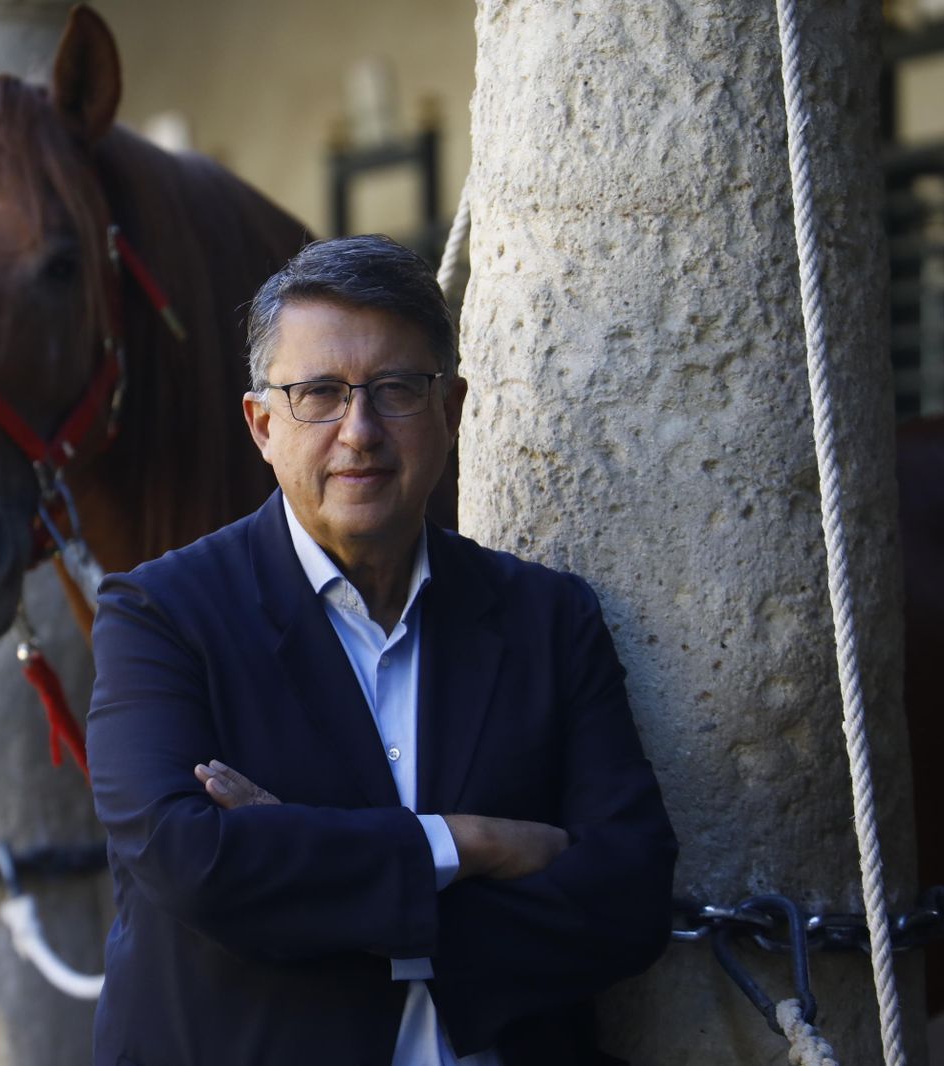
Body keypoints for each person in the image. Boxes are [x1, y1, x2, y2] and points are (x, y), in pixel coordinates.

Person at [85, 235, 677, 1065]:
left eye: (396, 390)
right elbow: (189, 858)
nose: (359, 432)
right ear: (262, 425)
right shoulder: (161, 615)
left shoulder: (548, 618)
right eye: (319, 394)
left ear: (452, 410)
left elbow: (630, 896)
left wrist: (312, 880)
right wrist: (472, 845)